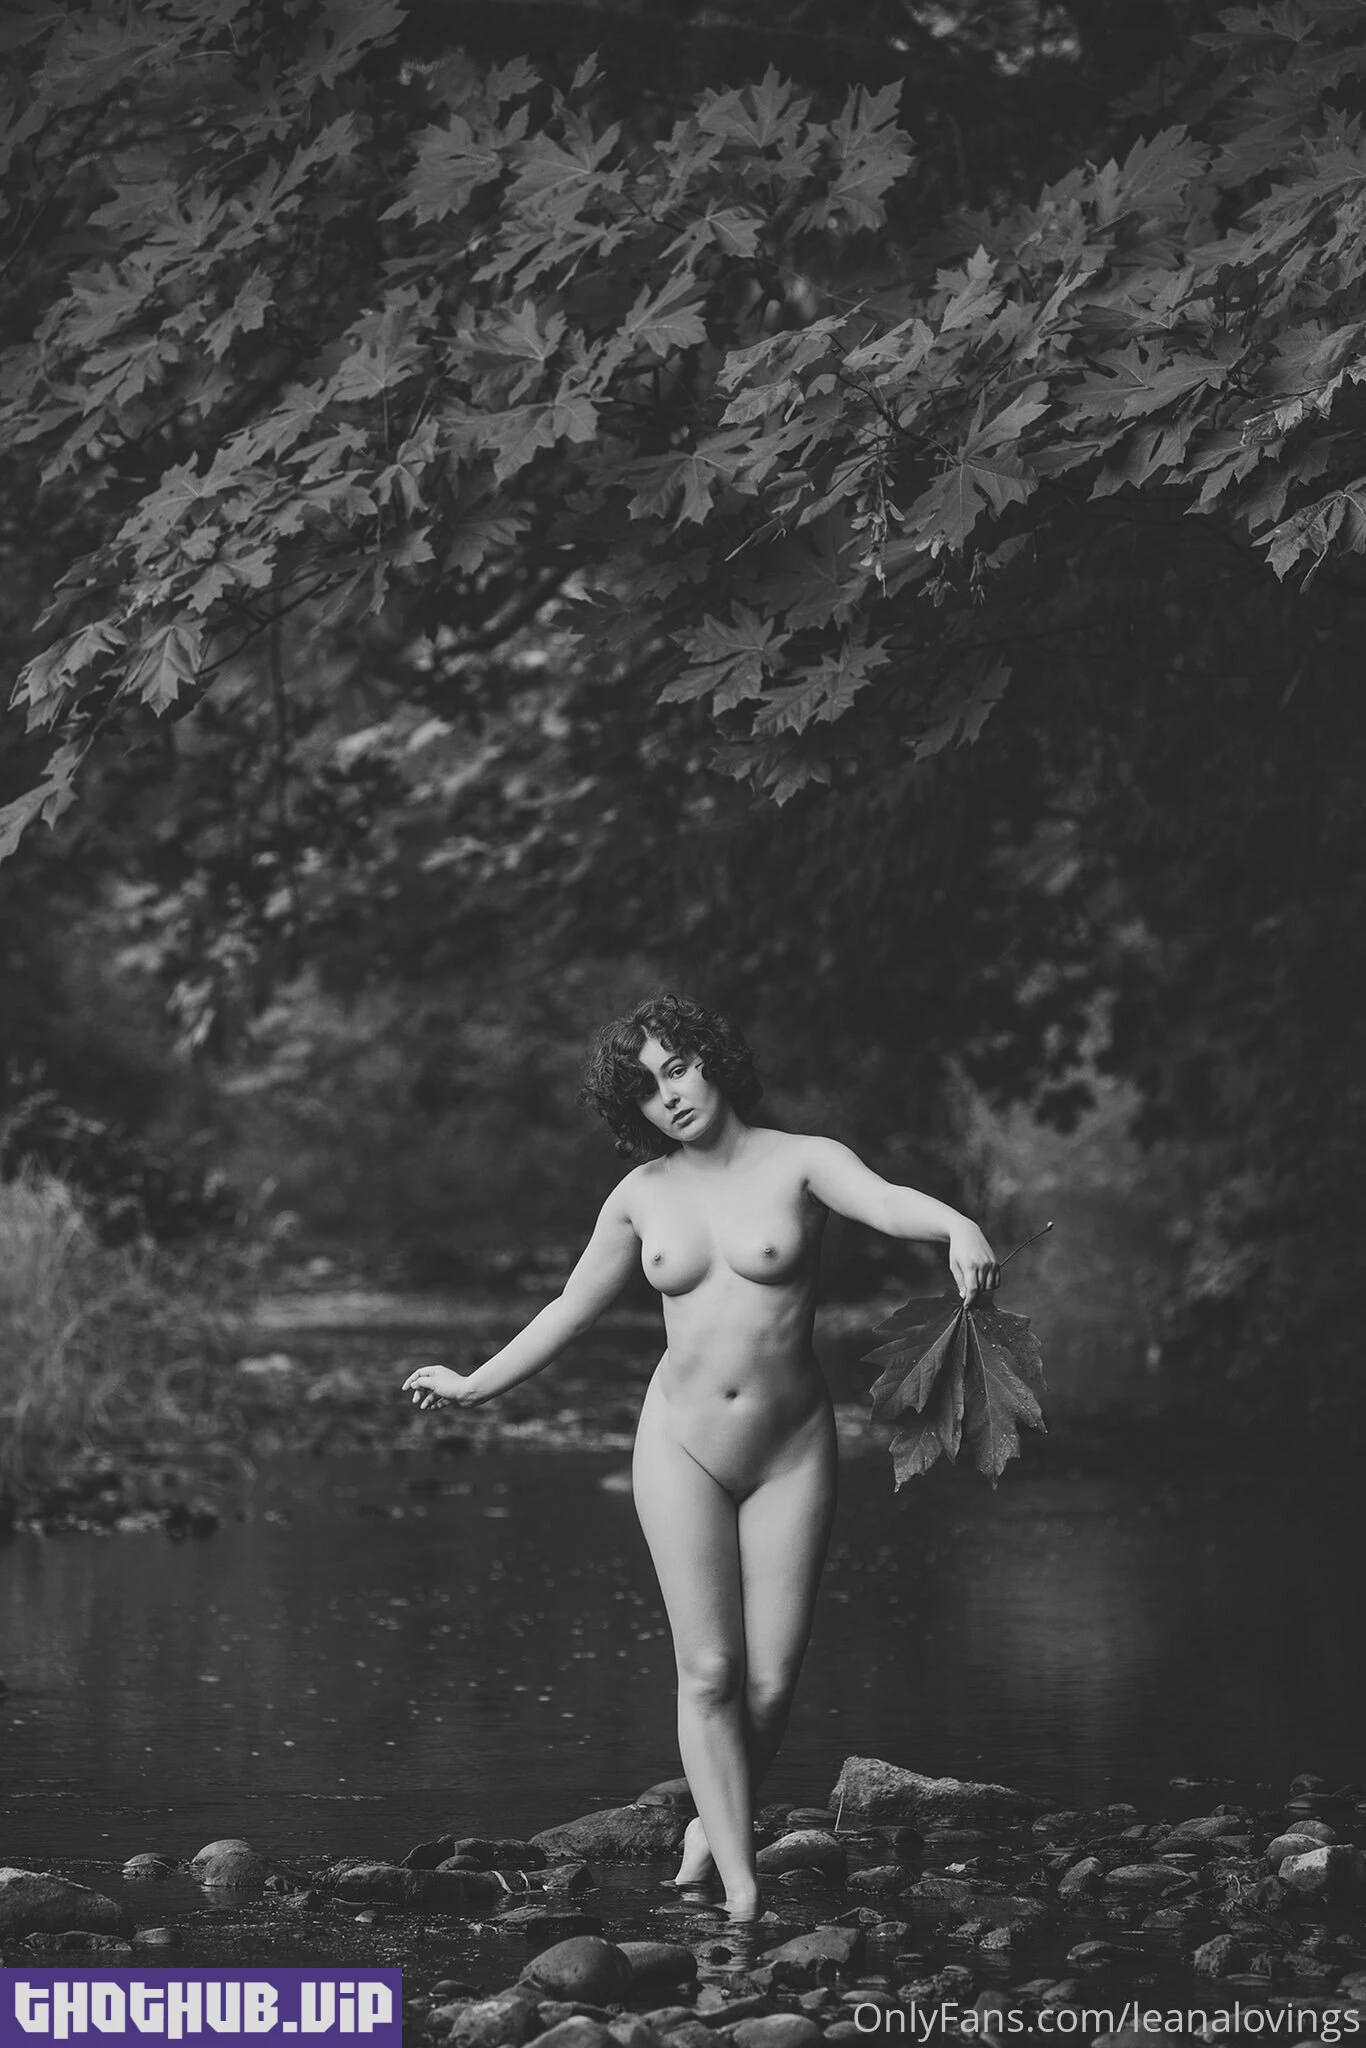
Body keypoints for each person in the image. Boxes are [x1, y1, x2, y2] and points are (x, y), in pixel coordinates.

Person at [401, 994, 1000, 1920]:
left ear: (714, 1060)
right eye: (646, 1088)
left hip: (791, 1449)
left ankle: (707, 1828)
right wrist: (476, 1386)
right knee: (711, 1672)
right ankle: (741, 1889)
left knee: (770, 1685)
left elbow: (885, 1202)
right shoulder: (640, 1196)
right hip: (679, 1444)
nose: (669, 1095)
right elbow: (569, 1309)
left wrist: (958, 1224)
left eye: (676, 1068)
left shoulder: (804, 1162)